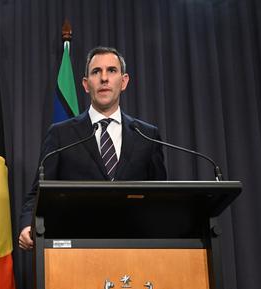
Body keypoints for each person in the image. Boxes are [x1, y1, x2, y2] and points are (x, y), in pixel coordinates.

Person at [18, 46, 166, 250]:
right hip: (77, 252)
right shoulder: (62, 134)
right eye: (96, 72)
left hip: (135, 251)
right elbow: (39, 192)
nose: (104, 78)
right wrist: (27, 225)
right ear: (86, 85)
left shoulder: (147, 135)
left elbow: (163, 197)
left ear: (124, 81)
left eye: (111, 71)